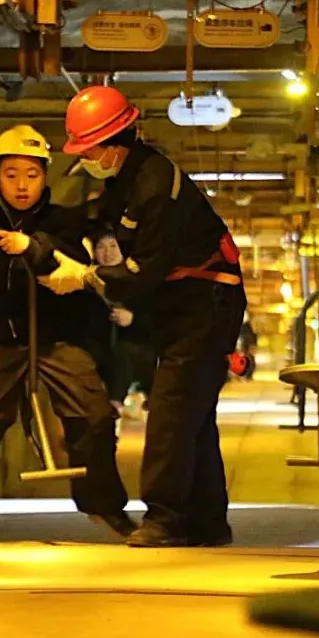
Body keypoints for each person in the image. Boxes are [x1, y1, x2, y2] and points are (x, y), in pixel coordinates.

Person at [39, 86, 248, 548]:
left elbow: (141, 272)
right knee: (193, 416)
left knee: (171, 413)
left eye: (87, 149)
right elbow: (97, 216)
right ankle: (207, 521)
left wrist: (86, 277)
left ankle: (165, 519)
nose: (84, 158)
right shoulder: (130, 177)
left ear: (112, 144)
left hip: (205, 304)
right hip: (188, 304)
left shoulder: (155, 187)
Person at [0, 124, 134, 543]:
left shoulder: (65, 221)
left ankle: (105, 506)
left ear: (44, 176)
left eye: (31, 174)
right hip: (2, 338)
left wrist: (32, 247)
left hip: (59, 337)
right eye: (11, 175)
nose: (21, 185)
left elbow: (71, 263)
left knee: (93, 414)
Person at [89, 227, 156, 419]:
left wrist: (133, 319)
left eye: (113, 246)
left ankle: (116, 403)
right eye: (101, 247)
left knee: (125, 352)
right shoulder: (89, 282)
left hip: (139, 353)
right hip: (100, 352)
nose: (107, 253)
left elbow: (158, 320)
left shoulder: (140, 282)